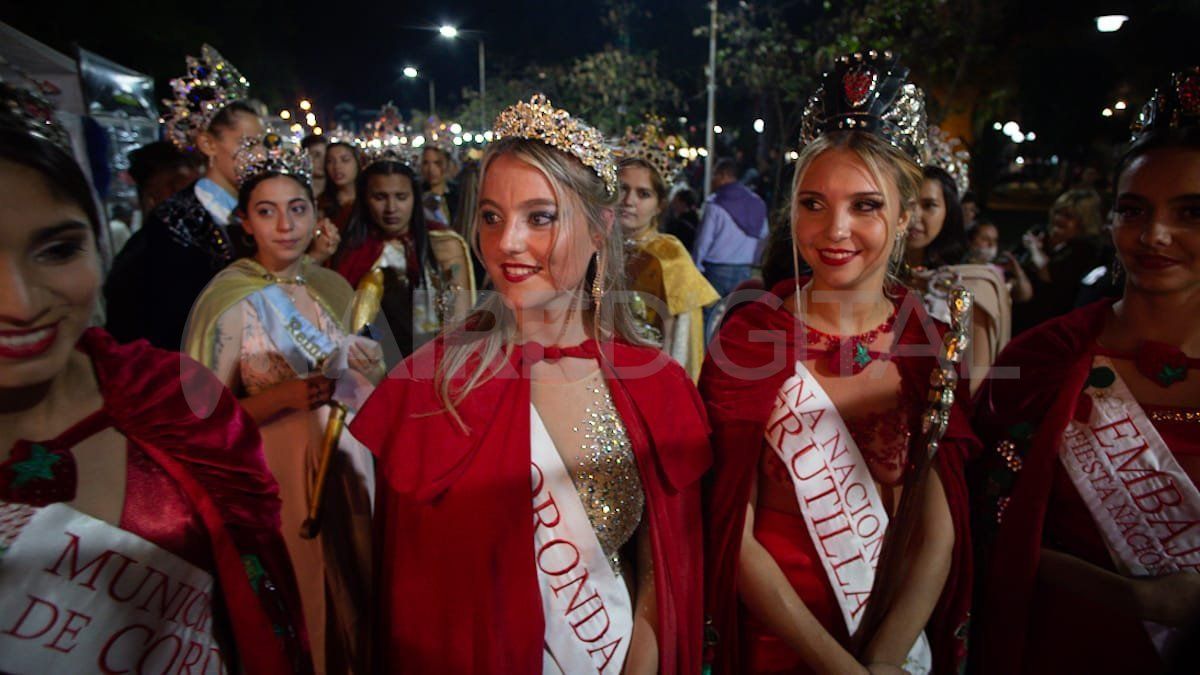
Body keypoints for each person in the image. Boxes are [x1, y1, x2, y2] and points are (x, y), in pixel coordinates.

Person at [350, 95, 710, 674]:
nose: (507, 243)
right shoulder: (428, 390)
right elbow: (410, 601)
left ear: (600, 229)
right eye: (492, 216)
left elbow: (665, 583)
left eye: (540, 218)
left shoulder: (657, 387)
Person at [0, 82, 311, 674]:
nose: (19, 302)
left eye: (58, 250)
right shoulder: (172, 232)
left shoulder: (173, 405)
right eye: (267, 211)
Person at [702, 51, 975, 675]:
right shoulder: (747, 339)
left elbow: (938, 531)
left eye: (866, 205)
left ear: (905, 216)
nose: (835, 230)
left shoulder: (927, 345)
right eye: (814, 203)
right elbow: (731, 528)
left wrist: (882, 656)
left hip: (889, 636)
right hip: (775, 641)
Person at [972, 67, 1200, 675]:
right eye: (1134, 210)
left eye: (1191, 212)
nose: (1155, 235)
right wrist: (1134, 598)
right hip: (1056, 647)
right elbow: (987, 521)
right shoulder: (1040, 360)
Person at [183, 134, 381, 674]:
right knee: (304, 596)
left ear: (316, 214)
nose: (285, 225)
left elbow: (381, 376)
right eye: (267, 211)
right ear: (245, 222)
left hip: (348, 466)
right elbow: (200, 420)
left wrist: (367, 367)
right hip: (276, 477)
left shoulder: (333, 286)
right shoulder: (227, 297)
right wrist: (279, 399)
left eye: (297, 209)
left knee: (357, 588)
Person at [104, 45, 261, 350]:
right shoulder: (173, 226)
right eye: (248, 144)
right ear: (208, 144)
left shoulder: (255, 213)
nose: (260, 155)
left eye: (263, 144)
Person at [332, 157, 475, 366]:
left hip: (436, 359)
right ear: (365, 199)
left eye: (401, 197)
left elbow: (460, 316)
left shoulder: (443, 243)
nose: (391, 208)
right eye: (380, 197)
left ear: (415, 198)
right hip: (372, 364)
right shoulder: (352, 249)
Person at [616, 122, 719, 379]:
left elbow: (679, 339)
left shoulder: (668, 256)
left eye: (643, 194)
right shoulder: (593, 246)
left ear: (660, 204)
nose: (629, 201)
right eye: (622, 189)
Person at [906, 165, 1010, 389]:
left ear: (949, 211)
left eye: (928, 205)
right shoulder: (877, 275)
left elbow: (977, 377)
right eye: (907, 203)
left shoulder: (972, 283)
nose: (914, 216)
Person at [1012, 188, 1104, 333]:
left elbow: (1048, 275)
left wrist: (1034, 249)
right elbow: (1012, 260)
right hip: (1019, 313)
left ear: (1083, 222)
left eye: (1068, 216)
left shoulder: (1086, 249)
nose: (1059, 219)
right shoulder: (1039, 232)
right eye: (1057, 212)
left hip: (1052, 323)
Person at [693, 157, 769, 333]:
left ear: (724, 176)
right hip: (744, 270)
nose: (712, 180)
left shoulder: (715, 203)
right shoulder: (757, 202)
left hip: (716, 270)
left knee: (709, 316)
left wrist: (696, 265)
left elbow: (703, 241)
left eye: (714, 175)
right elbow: (763, 234)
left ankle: (706, 349)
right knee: (736, 318)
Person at [318, 141, 359, 231]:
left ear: (357, 163)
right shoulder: (322, 203)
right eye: (330, 161)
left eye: (345, 160)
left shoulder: (369, 199)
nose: (337, 166)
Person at [419, 144, 459, 229]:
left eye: (437, 163)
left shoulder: (458, 194)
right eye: (426, 163)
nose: (431, 169)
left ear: (447, 164)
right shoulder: (417, 195)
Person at [663, 183, 701, 253]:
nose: (673, 203)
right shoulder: (697, 220)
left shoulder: (678, 225)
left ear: (683, 203)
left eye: (675, 201)